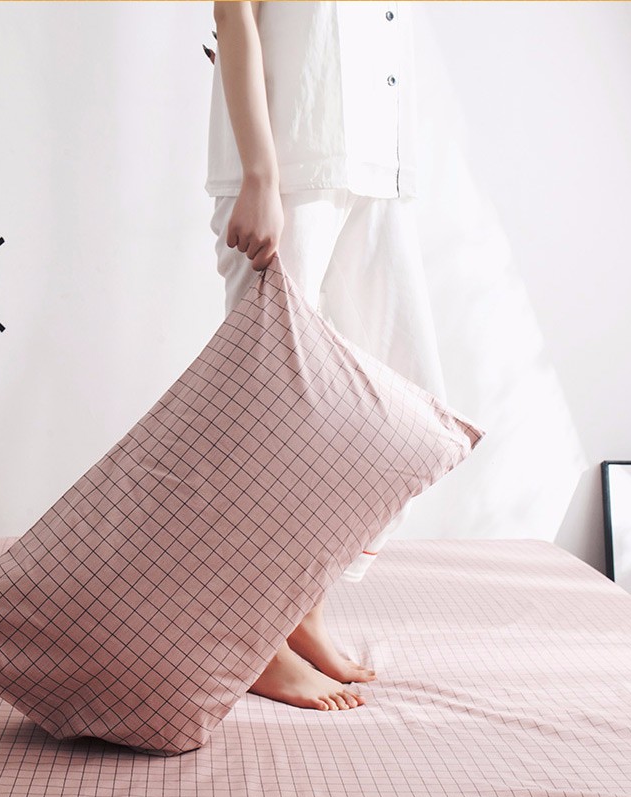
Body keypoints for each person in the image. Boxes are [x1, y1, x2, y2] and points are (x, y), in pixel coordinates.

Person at [205, 1, 448, 712]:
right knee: (270, 415)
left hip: (374, 168)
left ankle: (301, 607)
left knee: (406, 401)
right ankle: (255, 640)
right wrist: (259, 177)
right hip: (289, 168)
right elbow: (233, 14)